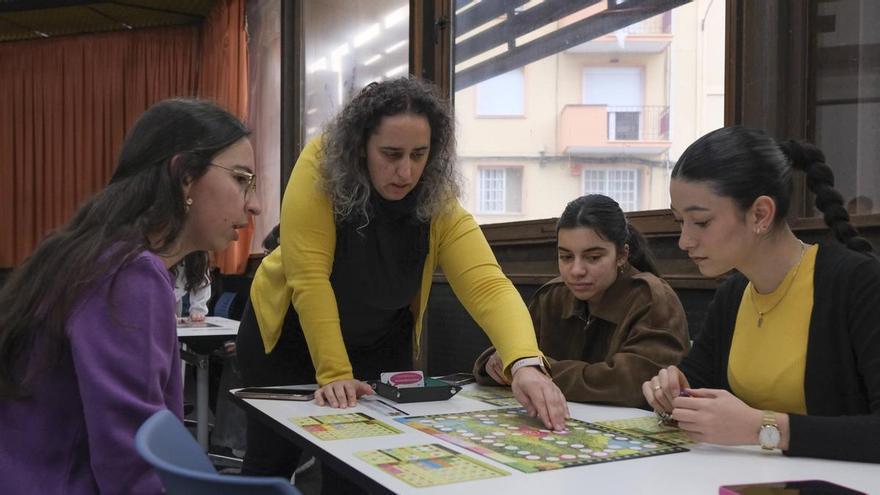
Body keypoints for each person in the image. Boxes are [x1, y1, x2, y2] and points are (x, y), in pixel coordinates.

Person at [236, 78, 568, 487]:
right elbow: (309, 280)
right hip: (290, 336)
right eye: (390, 154)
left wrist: (525, 363)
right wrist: (335, 372)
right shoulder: (320, 166)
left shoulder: (436, 194)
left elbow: (487, 283)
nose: (406, 171)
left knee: (364, 468)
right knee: (272, 460)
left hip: (378, 339)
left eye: (419, 154)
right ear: (360, 145)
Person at [0, 98, 261, 494]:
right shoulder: (128, 274)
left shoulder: (95, 253)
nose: (254, 203)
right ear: (185, 177)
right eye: (241, 179)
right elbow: (133, 460)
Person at [643, 126, 880, 463]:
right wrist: (672, 389)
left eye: (701, 222)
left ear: (760, 214)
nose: (684, 241)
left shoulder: (856, 284)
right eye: (679, 221)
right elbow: (695, 378)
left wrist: (761, 428)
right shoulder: (734, 294)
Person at [473, 194, 690, 407]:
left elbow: (630, 385)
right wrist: (503, 361)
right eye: (566, 257)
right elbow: (499, 356)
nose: (576, 271)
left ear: (622, 255)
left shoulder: (651, 298)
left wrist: (531, 369)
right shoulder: (552, 296)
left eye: (593, 258)